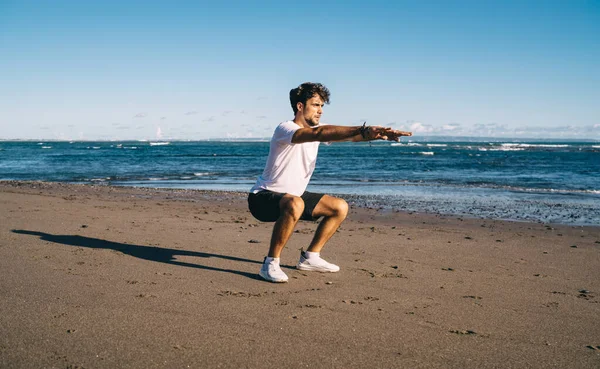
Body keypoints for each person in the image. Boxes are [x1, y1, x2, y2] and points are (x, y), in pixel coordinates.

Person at [248, 82, 412, 283]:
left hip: (294, 197)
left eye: (322, 106)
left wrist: (375, 135)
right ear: (300, 106)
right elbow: (318, 133)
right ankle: (270, 264)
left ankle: (311, 257)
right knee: (295, 203)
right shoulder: (286, 128)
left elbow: (347, 137)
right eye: (316, 105)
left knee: (339, 207)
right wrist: (365, 128)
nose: (320, 111)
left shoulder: (317, 130)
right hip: (263, 198)